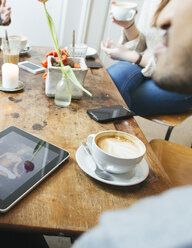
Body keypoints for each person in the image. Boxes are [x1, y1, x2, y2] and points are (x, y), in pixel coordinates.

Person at [73, 0, 192, 246]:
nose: (162, 21)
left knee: (112, 89)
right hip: (156, 65)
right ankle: (114, 157)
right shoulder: (154, 6)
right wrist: (129, 29)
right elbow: (149, 44)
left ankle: (109, 162)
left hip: (177, 76)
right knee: (113, 81)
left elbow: (174, 58)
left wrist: (135, 57)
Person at [101, 0, 192, 116]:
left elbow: (182, 65)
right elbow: (144, 44)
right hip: (144, 63)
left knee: (117, 97)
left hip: (181, 77)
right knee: (109, 85)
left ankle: (114, 133)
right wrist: (129, 26)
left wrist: (133, 57)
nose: (160, 21)